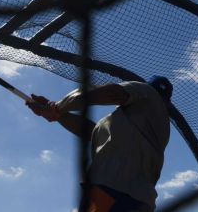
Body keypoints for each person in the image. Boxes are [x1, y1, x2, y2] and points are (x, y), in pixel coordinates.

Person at [27, 76, 173, 212]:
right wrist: (56, 112)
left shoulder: (147, 92)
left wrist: (57, 107)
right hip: (140, 202)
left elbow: (112, 92)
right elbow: (93, 132)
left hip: (110, 192)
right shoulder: (143, 125)